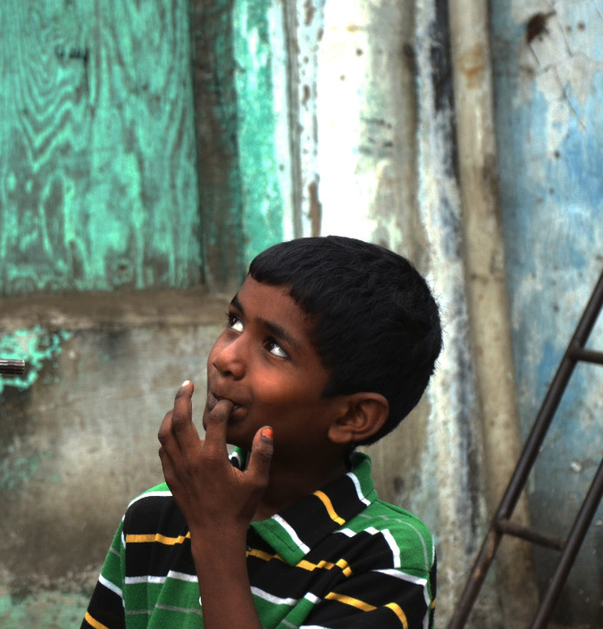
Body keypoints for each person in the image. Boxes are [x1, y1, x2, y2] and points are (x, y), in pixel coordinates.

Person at [81, 236, 441, 629]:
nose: (224, 358)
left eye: (275, 348)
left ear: (352, 416)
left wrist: (216, 534)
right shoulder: (154, 515)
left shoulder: (385, 554)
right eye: (234, 322)